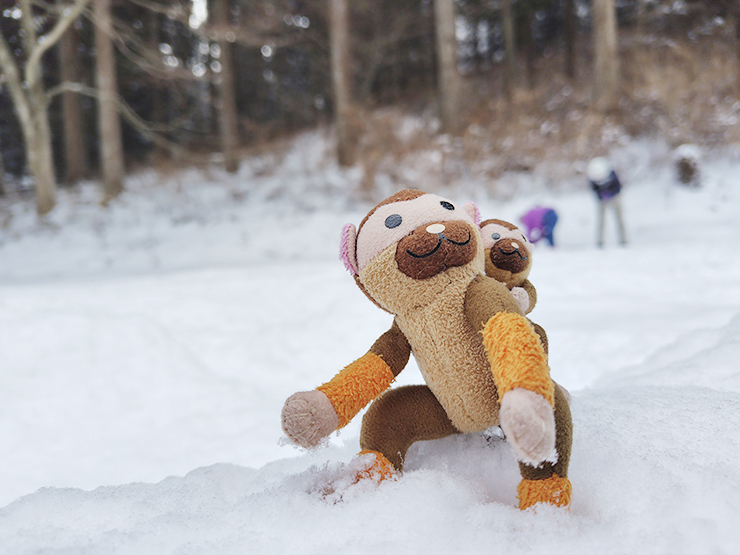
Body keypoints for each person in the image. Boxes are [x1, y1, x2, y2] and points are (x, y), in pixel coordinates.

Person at [587, 156, 627, 248]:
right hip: (602, 200)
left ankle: (623, 240)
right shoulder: (591, 177)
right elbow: (594, 190)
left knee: (619, 219)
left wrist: (611, 193)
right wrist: (601, 195)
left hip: (615, 197)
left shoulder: (612, 175)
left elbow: (618, 187)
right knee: (601, 220)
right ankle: (600, 241)